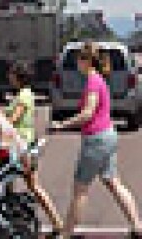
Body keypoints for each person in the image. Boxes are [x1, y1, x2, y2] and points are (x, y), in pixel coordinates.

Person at [50, 42, 142, 238]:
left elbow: (88, 113)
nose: (77, 65)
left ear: (87, 61)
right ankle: (137, 227)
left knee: (80, 189)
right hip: (108, 135)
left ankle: (66, 233)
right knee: (114, 183)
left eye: (79, 60)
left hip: (96, 139)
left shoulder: (92, 81)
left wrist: (63, 124)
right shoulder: (100, 79)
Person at [4, 61, 62, 235]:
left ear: (18, 77)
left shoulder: (23, 96)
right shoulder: (25, 94)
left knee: (33, 186)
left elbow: (13, 120)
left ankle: (56, 222)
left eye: (12, 74)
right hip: (20, 145)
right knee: (9, 182)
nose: (9, 77)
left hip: (20, 147)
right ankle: (10, 218)